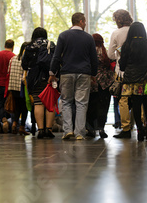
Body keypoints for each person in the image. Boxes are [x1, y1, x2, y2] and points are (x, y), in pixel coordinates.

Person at [48, 12, 98, 141]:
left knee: (66, 101)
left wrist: (52, 73)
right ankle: (80, 133)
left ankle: (68, 130)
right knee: (81, 103)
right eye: (85, 21)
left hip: (67, 72)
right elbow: (94, 58)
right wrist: (93, 74)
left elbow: (57, 56)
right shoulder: (89, 38)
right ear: (81, 21)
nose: (86, 23)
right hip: (84, 73)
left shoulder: (63, 36)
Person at [119, 21, 147, 141]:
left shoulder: (126, 45)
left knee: (136, 105)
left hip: (132, 81)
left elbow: (122, 66)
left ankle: (139, 130)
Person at [22, 27, 56, 139]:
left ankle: (40, 130)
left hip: (34, 78)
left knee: (38, 102)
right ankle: (49, 129)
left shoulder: (29, 47)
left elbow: (24, 65)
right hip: (49, 78)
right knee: (50, 104)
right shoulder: (51, 45)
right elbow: (56, 61)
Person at [108, 9, 134, 139]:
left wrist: (118, 54)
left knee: (123, 99)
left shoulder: (116, 33)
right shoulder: (136, 31)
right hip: (137, 71)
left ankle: (126, 128)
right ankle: (141, 125)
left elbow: (110, 54)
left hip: (121, 71)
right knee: (138, 97)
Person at [86, 34, 114, 138]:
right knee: (103, 106)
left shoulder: (89, 51)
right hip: (105, 82)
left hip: (92, 82)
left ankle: (91, 129)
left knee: (91, 106)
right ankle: (101, 128)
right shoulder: (104, 51)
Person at [7, 41, 30, 135]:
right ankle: (22, 127)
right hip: (22, 87)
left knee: (17, 107)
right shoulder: (26, 60)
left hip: (12, 87)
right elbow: (27, 74)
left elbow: (8, 71)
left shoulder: (13, 58)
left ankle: (14, 124)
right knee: (24, 108)